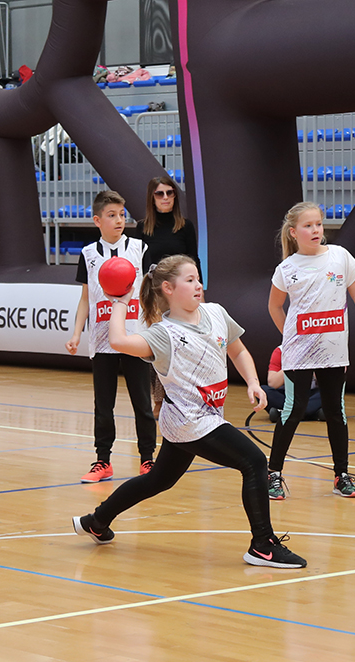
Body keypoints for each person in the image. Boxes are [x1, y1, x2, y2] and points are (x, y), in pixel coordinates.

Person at [70, 255, 306, 568]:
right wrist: (120, 302)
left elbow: (238, 351)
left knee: (158, 480)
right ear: (168, 288)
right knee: (253, 462)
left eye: (198, 278)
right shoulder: (163, 334)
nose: (198, 285)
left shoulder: (216, 312)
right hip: (188, 421)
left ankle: (96, 521)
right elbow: (119, 341)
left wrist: (253, 382)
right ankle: (262, 545)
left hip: (204, 417)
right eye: (190, 280)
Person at [265, 202, 355, 501]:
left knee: (335, 411)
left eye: (318, 223)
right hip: (299, 352)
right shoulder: (287, 269)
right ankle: (273, 473)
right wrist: (289, 335)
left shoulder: (339, 256)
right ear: (294, 232)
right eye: (308, 225)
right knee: (293, 410)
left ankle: (342, 475)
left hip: (333, 350)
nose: (316, 230)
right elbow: (275, 306)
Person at [65, 190, 157, 482]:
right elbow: (85, 299)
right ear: (97, 220)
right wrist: (76, 333)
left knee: (142, 403)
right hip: (102, 339)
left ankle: (147, 459)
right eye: (112, 215)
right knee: (103, 406)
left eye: (121, 215)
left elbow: (150, 294)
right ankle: (102, 461)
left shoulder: (140, 248)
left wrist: (155, 329)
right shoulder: (88, 254)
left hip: (135, 337)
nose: (119, 220)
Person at [134, 174, 201, 419]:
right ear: (152, 198)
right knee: (157, 349)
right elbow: (140, 264)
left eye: (170, 193)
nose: (165, 198)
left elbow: (194, 260)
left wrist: (199, 291)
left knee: (183, 348)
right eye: (160, 193)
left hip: (182, 297)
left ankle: (183, 397)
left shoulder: (185, 226)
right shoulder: (142, 228)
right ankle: (159, 400)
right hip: (156, 297)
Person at [263, 346, 322, 424]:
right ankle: (313, 414)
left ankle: (284, 413)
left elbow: (328, 383)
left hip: (311, 395)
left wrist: (313, 367)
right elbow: (273, 384)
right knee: (263, 391)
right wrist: (291, 365)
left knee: (329, 393)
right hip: (287, 395)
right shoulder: (280, 351)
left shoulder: (319, 350)